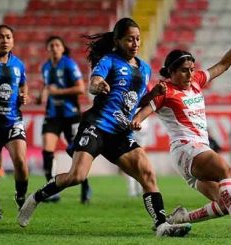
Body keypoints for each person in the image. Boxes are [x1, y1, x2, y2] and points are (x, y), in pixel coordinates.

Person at [17, 17, 191, 237]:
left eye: (137, 39)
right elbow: (93, 82)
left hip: (120, 133)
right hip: (97, 126)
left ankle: (161, 224)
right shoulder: (109, 60)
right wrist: (98, 84)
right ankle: (36, 197)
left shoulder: (144, 68)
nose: (135, 43)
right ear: (117, 41)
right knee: (77, 176)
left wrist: (152, 95)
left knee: (147, 173)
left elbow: (135, 100)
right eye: (130, 39)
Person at [131, 17, 231, 234]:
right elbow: (146, 109)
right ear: (171, 72)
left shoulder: (196, 81)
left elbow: (223, 65)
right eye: (183, 70)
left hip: (194, 153)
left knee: (223, 200)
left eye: (191, 69)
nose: (190, 74)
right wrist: (137, 121)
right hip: (187, 148)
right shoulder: (165, 90)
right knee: (228, 170)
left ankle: (181, 217)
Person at [37, 36, 91, 203]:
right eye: (51, 45)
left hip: (71, 115)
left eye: (57, 45)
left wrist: (57, 92)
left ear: (62, 48)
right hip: (52, 115)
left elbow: (81, 88)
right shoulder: (45, 67)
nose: (54, 48)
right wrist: (40, 97)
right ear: (47, 49)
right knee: (47, 150)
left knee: (77, 152)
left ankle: (85, 186)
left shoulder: (69, 64)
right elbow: (47, 87)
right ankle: (52, 191)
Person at [0, 25, 29, 219]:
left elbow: (23, 85)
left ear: (13, 41)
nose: (4, 40)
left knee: (20, 161)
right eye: (0, 37)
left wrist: (24, 95)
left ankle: (21, 196)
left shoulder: (19, 64)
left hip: (13, 120)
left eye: (8, 37)